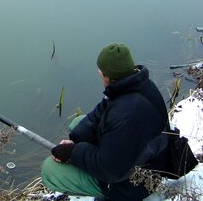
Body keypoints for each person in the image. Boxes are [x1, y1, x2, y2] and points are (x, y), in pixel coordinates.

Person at [41, 43, 169, 200]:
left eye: (100, 73)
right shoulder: (136, 84)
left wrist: (73, 153)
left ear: (108, 77)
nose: (99, 75)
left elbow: (110, 170)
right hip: (144, 157)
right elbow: (100, 112)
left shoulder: (125, 115)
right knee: (78, 124)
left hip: (136, 183)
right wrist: (74, 140)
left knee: (50, 170)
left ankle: (106, 196)